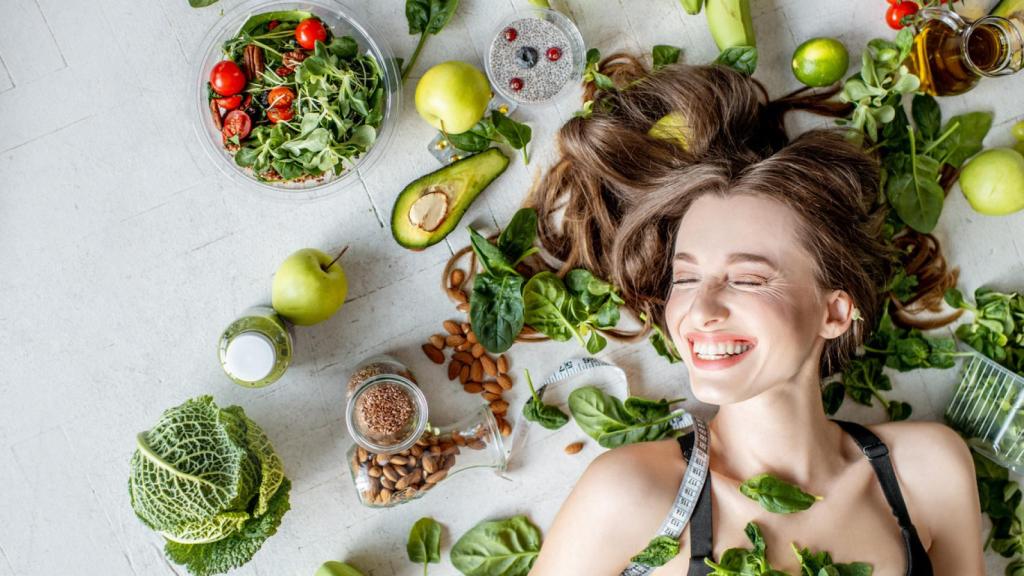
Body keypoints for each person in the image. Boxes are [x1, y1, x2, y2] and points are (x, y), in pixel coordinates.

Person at [526, 59, 984, 575]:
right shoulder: (628, 495)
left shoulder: (929, 470)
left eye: (747, 279)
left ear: (834, 312)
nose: (700, 311)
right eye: (687, 278)